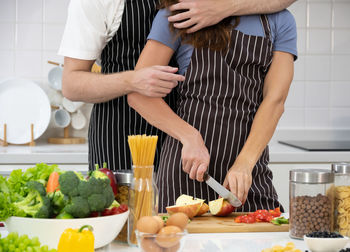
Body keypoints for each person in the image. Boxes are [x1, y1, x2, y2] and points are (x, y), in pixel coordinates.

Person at [59, 0, 296, 172]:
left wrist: (226, 7)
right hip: (124, 139)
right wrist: (132, 80)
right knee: (127, 232)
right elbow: (71, 84)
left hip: (187, 140)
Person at [127, 1, 297, 212]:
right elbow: (138, 93)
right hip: (185, 171)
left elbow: (275, 100)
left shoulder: (277, 19)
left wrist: (245, 163)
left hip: (250, 173)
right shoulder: (177, 15)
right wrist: (189, 136)